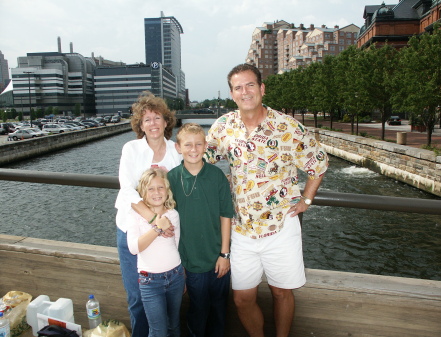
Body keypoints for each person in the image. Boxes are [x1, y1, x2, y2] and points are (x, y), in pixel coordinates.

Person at [205, 64, 329, 337]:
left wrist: (306, 200)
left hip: (280, 227)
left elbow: (318, 163)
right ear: (232, 94)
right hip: (241, 230)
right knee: (241, 298)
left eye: (250, 85)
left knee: (282, 292)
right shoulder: (224, 127)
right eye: (238, 87)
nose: (245, 92)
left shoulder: (286, 127)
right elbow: (200, 158)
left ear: (262, 88)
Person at [115, 91, 181, 337]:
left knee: (168, 301)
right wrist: (156, 221)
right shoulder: (131, 149)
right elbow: (128, 190)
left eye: (157, 117)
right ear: (140, 126)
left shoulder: (177, 150)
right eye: (147, 119)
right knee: (137, 298)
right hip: (133, 231)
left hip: (167, 234)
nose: (153, 123)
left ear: (166, 121)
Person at [167, 123, 234, 337]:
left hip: (217, 259)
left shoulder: (216, 177)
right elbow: (167, 221)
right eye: (188, 145)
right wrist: (178, 263)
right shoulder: (171, 179)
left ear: (206, 146)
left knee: (218, 310)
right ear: (178, 148)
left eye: (198, 144)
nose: (193, 149)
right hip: (189, 261)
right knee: (197, 310)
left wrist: (224, 254)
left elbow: (226, 215)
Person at [127, 168, 184, 337]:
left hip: (176, 275)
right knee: (158, 331)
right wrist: (158, 228)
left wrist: (183, 274)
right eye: (150, 189)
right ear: (143, 193)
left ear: (167, 191)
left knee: (174, 325)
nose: (156, 192)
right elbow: (134, 247)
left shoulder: (173, 215)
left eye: (160, 187)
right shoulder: (135, 215)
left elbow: (176, 243)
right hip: (150, 281)